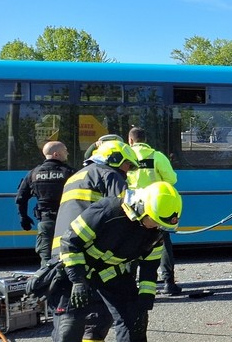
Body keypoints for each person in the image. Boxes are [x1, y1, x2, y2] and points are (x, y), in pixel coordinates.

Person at [52, 181, 181, 342]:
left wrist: (146, 296)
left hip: (110, 271)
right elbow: (70, 242)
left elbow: (150, 265)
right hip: (76, 269)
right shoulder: (107, 211)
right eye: (154, 221)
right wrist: (78, 281)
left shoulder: (156, 231)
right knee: (69, 328)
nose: (156, 227)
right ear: (140, 208)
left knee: (135, 320)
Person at [50, 139, 140, 342]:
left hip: (61, 255)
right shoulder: (110, 174)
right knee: (101, 314)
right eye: (127, 164)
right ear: (115, 159)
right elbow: (126, 212)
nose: (128, 170)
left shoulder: (75, 176)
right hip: (89, 254)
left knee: (69, 318)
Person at [127, 126, 181, 296]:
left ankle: (130, 284)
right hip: (154, 207)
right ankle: (168, 283)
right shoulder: (157, 156)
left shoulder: (125, 157)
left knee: (131, 245)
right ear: (145, 140)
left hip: (132, 208)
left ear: (130, 140)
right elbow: (172, 179)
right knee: (163, 244)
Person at [15, 141, 76, 267]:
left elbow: (21, 198)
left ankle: (47, 284)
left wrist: (23, 217)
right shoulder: (70, 172)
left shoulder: (33, 173)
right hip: (66, 222)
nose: (67, 153)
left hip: (46, 221)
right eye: (65, 150)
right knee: (69, 256)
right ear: (56, 154)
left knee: (47, 259)